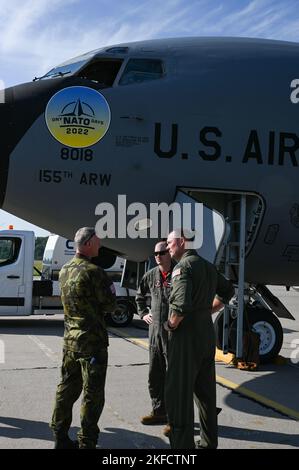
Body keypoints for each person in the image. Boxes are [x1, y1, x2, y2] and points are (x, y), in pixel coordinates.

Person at [164, 229, 234, 449]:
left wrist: (170, 324)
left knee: (179, 395)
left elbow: (181, 305)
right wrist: (206, 310)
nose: (167, 247)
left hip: (186, 338)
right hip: (205, 335)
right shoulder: (208, 266)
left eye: (169, 243)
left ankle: (182, 448)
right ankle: (208, 443)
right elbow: (227, 290)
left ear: (182, 242)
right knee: (206, 395)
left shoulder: (182, 268)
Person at [50, 227, 116, 449]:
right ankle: (87, 442)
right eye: (97, 241)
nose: (100, 244)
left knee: (66, 389)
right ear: (87, 243)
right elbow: (109, 305)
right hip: (92, 343)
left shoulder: (65, 269)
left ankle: (59, 435)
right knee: (92, 394)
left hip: (70, 340)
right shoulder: (94, 271)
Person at [135, 241, 175, 425]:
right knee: (154, 375)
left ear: (170, 253)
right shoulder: (151, 275)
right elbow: (139, 296)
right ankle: (159, 411)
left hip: (174, 334)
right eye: (156, 253)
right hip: (154, 333)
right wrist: (143, 313)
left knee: (173, 377)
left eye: (162, 252)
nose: (158, 256)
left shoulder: (179, 274)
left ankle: (175, 419)